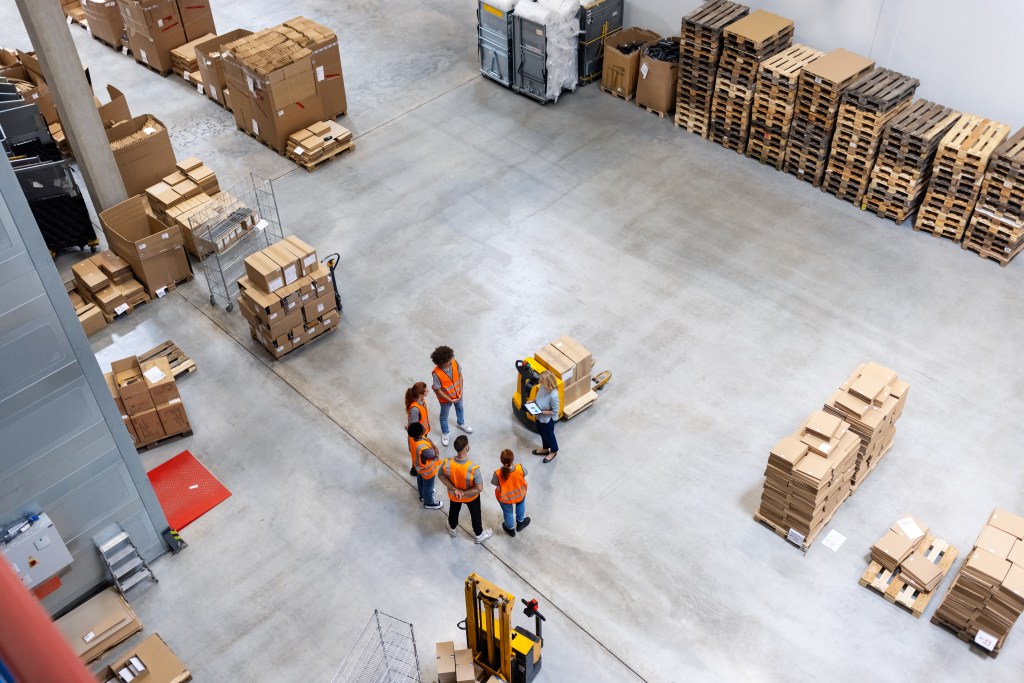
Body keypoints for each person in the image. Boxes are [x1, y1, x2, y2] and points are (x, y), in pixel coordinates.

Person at [438, 435, 492, 543]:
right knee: (475, 515)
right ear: (467, 448)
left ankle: (452, 529)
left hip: (454, 495)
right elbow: (479, 488)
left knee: (453, 511)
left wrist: (455, 490)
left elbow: (441, 476)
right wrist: (464, 493)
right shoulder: (473, 468)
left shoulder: (447, 463)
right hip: (471, 498)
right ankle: (479, 535)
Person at [431, 345, 472, 447]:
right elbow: (438, 390)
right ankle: (445, 433)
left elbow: (460, 376)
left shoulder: (454, 362)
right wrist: (450, 399)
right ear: (442, 362)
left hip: (458, 395)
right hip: (445, 400)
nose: (451, 361)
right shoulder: (436, 373)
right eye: (448, 360)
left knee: (460, 408)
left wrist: (461, 391)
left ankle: (461, 423)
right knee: (444, 416)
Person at [492, 449, 530, 537]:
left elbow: (494, 483)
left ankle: (510, 529)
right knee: (521, 505)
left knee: (508, 512)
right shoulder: (520, 468)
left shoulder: (497, 474)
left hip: (505, 499)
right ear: (513, 459)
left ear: (501, 461)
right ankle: (520, 523)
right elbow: (526, 473)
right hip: (520, 494)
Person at [408, 422, 442, 510]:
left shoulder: (413, 438)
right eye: (422, 427)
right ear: (420, 433)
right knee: (428, 487)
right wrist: (436, 449)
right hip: (427, 471)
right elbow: (434, 454)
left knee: (420, 480)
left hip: (419, 468)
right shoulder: (423, 447)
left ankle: (422, 495)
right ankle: (429, 502)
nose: (424, 427)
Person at [532, 371, 559, 463]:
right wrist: (532, 401)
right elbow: (539, 397)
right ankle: (545, 448)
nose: (540, 382)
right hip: (539, 416)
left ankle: (554, 451)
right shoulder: (542, 387)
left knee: (549, 436)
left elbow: (555, 411)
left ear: (548, 382)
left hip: (548, 419)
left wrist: (541, 412)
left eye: (542, 380)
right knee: (541, 432)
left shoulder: (553, 395)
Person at [405, 382, 431, 477]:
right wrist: (419, 438)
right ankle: (414, 470)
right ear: (420, 394)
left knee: (420, 453)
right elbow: (413, 427)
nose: (428, 391)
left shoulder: (422, 400)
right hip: (418, 436)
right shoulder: (415, 409)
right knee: (417, 453)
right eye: (426, 390)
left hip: (423, 433)